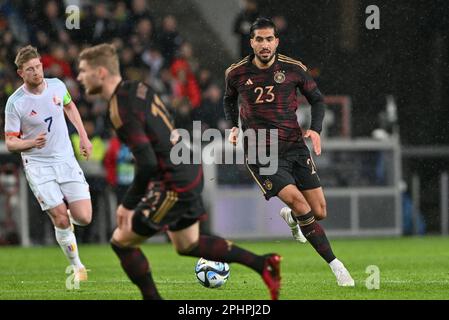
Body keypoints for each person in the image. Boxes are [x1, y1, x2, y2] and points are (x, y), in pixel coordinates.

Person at [76, 43, 281, 300]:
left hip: (174, 182)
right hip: (187, 166)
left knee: (121, 241)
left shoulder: (120, 108)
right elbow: (166, 128)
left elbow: (148, 162)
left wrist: (127, 204)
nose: (79, 77)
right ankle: (264, 264)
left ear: (101, 73)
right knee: (188, 244)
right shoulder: (138, 88)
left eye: (83, 71)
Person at [224, 18, 355, 287]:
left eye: (269, 39)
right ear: (251, 42)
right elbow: (228, 99)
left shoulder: (293, 69)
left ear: (276, 41)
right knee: (300, 204)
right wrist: (233, 127)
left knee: (319, 212)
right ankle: (337, 266)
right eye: (259, 39)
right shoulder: (236, 73)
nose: (264, 44)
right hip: (262, 154)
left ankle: (292, 219)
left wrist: (316, 129)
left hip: (295, 146)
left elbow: (318, 99)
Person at [3, 45, 93, 281]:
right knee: (61, 217)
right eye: (30, 69)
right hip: (38, 164)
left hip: (65, 158)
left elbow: (69, 106)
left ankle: (67, 226)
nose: (36, 72)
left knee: (84, 217)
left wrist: (83, 136)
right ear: (21, 73)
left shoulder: (57, 86)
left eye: (38, 66)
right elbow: (11, 143)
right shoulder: (15, 103)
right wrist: (31, 142)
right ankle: (78, 266)